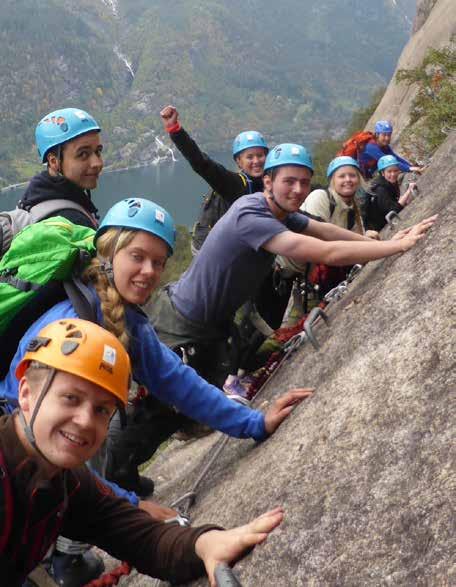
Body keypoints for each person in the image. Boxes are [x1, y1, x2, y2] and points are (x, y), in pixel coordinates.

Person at [0, 197, 312, 503]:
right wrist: (129, 506)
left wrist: (254, 423)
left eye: (158, 262)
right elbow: (49, 440)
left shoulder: (125, 319)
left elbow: (179, 382)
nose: (149, 271)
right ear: (107, 253)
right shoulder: (72, 327)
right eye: (137, 256)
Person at [1, 317, 285, 587]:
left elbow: (141, 539)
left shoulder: (65, 479)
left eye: (102, 410)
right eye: (70, 398)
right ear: (25, 394)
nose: (85, 421)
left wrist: (204, 543)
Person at [149, 143, 436, 384]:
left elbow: (326, 231)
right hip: (182, 323)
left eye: (304, 182)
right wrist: (396, 247)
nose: (299, 190)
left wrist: (381, 244)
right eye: (289, 181)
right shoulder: (253, 215)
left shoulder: (281, 211)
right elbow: (327, 252)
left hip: (207, 324)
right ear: (268, 182)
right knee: (148, 421)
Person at [160, 105, 268, 254]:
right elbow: (201, 163)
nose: (256, 161)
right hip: (209, 248)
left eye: (260, 155)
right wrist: (175, 130)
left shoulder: (268, 182)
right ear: (238, 161)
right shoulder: (234, 184)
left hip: (233, 238)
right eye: (249, 157)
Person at [18, 107, 103, 229]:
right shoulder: (71, 224)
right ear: (54, 161)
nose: (97, 163)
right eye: (83, 154)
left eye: (98, 152)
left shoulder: (31, 200)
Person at [365, 155, 417, 232]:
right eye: (389, 171)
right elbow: (393, 210)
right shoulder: (380, 189)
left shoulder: (387, 183)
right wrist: (408, 191)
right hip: (379, 227)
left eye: (395, 171)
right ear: (383, 173)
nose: (393, 174)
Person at [358, 120, 424, 179]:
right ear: (377, 134)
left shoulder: (384, 145)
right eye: (384, 135)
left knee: (395, 169)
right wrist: (409, 169)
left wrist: (411, 166)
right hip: (368, 174)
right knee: (392, 171)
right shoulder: (370, 147)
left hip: (375, 168)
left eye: (389, 135)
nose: (387, 138)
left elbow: (395, 158)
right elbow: (388, 162)